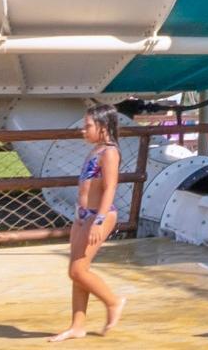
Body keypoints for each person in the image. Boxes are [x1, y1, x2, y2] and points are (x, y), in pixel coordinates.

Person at [48, 103, 126, 342]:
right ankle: (77, 326)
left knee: (77, 270)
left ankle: (113, 302)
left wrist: (98, 220)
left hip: (98, 216)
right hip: (83, 216)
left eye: (88, 126)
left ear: (103, 126)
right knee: (77, 272)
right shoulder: (95, 150)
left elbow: (110, 187)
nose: (83, 130)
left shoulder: (110, 152)